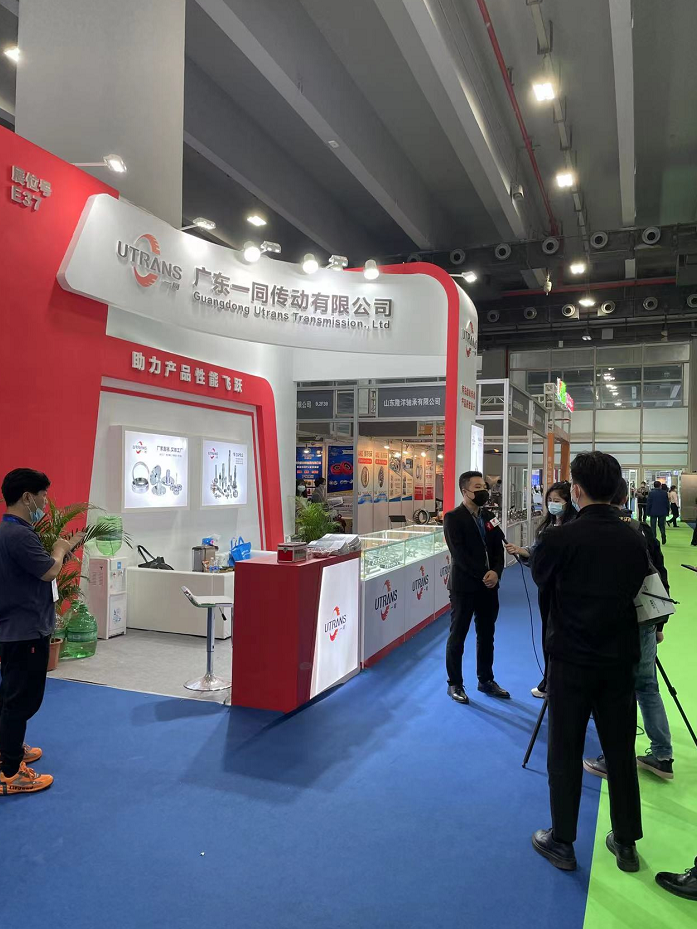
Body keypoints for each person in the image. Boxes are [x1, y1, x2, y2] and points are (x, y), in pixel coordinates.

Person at [530, 452, 649, 873]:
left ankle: (562, 840)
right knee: (620, 751)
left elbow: (541, 578)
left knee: (565, 750)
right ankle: (626, 841)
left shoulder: (560, 539)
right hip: (618, 659)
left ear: (576, 490)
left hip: (571, 660)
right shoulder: (634, 538)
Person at [583, 479, 674, 781]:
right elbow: (660, 576)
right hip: (646, 620)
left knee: (616, 691)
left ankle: (614, 759)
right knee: (647, 687)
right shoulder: (642, 530)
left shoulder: (598, 532)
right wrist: (659, 623)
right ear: (626, 498)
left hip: (614, 625)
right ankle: (662, 755)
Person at [0, 469, 83, 795]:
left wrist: (64, 548)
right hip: (25, 630)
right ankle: (9, 773)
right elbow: (49, 571)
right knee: (22, 702)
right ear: (27, 497)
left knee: (11, 696)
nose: (45, 502)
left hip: (16, 627)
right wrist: (60, 550)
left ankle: (9, 750)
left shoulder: (11, 531)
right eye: (43, 495)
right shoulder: (19, 535)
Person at [505, 481, 576, 698]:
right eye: (550, 500)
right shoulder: (548, 526)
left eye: (557, 501)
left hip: (567, 592)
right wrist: (522, 551)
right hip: (547, 591)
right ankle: (549, 680)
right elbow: (537, 552)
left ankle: (561, 684)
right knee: (548, 635)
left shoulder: (574, 527)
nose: (553, 504)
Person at [444, 471, 508, 704]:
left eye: (484, 487)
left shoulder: (489, 516)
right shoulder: (453, 518)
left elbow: (498, 549)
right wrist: (484, 575)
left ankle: (486, 679)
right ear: (465, 491)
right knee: (458, 635)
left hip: (489, 587)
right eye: (478, 487)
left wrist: (496, 572)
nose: (483, 491)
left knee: (487, 634)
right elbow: (459, 555)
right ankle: (455, 683)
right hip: (464, 586)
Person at [646, 480, 669, 544]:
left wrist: (647, 512)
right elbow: (667, 503)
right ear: (660, 486)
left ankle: (654, 539)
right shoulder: (664, 493)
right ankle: (663, 534)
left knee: (653, 526)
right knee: (661, 525)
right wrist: (667, 511)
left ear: (654, 486)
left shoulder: (651, 493)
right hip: (662, 511)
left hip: (653, 511)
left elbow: (649, 503)